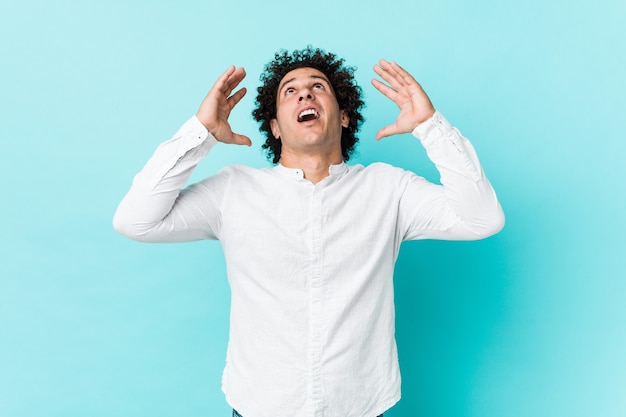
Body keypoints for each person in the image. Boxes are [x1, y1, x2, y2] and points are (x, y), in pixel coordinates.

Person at [113, 46, 504, 417]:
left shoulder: (390, 189)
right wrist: (200, 133)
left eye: (318, 87)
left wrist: (430, 128)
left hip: (363, 407)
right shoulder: (233, 190)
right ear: (275, 127)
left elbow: (482, 219)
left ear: (345, 116)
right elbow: (136, 220)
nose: (305, 96)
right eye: (291, 91)